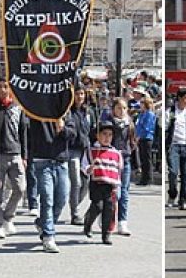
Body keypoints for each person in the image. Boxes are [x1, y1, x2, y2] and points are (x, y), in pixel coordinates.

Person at [0, 79, 29, 238]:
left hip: (15, 153)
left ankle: (8, 217)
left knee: (20, 188)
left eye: (6, 87)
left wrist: (24, 155)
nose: (3, 90)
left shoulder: (17, 107)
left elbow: (23, 131)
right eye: (0, 87)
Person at [29, 116, 76, 253]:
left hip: (61, 161)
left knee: (61, 199)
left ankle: (42, 224)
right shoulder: (37, 111)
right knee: (47, 198)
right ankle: (48, 236)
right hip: (42, 160)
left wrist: (62, 128)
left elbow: (73, 133)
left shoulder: (64, 111)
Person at [83, 121, 123, 245]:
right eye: (104, 134)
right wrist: (89, 169)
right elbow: (84, 165)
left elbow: (118, 170)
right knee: (97, 206)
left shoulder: (116, 153)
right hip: (96, 183)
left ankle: (106, 234)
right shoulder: (91, 150)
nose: (107, 137)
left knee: (109, 210)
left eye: (110, 135)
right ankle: (88, 222)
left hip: (110, 185)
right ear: (97, 135)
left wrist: (117, 186)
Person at [105, 97, 136, 236]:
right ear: (113, 110)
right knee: (112, 192)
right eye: (119, 108)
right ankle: (107, 218)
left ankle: (122, 222)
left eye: (124, 108)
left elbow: (132, 141)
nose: (122, 111)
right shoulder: (109, 123)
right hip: (111, 159)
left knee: (124, 192)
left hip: (126, 158)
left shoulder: (129, 123)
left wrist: (135, 159)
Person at [165, 88, 186, 210]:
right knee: (173, 172)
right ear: (179, 98)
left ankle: (183, 200)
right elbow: (164, 129)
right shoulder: (170, 112)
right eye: (185, 98)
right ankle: (172, 194)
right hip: (173, 146)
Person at [66, 87, 93, 226]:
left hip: (85, 150)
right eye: (77, 94)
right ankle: (74, 213)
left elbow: (92, 130)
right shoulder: (68, 111)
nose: (79, 96)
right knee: (76, 182)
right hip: (72, 150)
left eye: (82, 93)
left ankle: (74, 202)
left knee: (85, 182)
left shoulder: (88, 112)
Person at [136, 97, 157, 186]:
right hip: (141, 138)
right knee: (142, 158)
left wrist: (139, 135)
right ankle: (143, 178)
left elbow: (147, 127)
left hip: (147, 138)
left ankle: (148, 178)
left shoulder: (150, 114)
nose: (140, 105)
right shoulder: (141, 114)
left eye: (142, 103)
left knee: (147, 159)